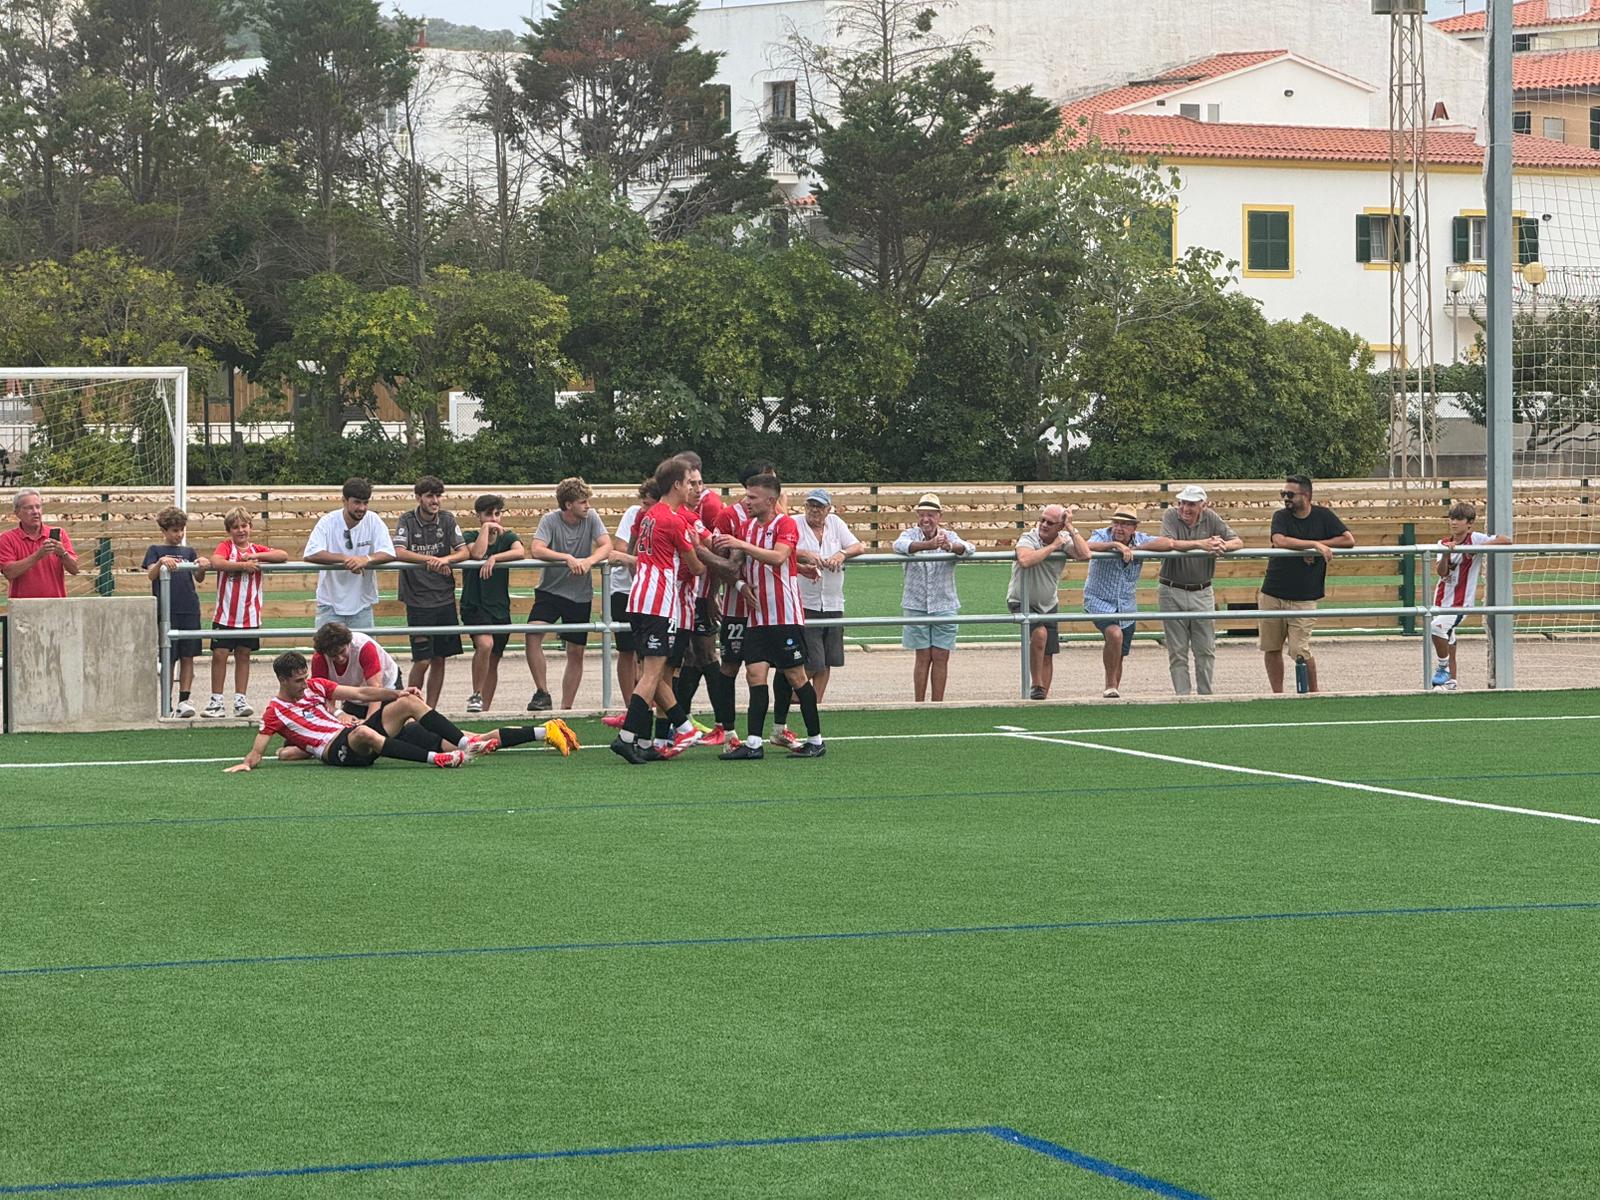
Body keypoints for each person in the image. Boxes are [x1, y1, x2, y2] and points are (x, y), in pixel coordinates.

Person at [225, 651, 578, 773]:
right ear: (282, 680)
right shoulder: (274, 710)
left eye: (306, 677)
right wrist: (248, 763)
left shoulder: (317, 686)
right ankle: (439, 760)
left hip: (356, 735)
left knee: (412, 707)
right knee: (364, 732)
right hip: (341, 748)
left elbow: (361, 692)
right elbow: (259, 750)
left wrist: (397, 692)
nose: (305, 683)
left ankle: (543, 730)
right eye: (298, 680)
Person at [712, 474, 825, 759]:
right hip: (757, 618)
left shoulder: (785, 524)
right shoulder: (747, 528)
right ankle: (753, 744)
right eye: (746, 496)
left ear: (770, 500)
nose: (747, 502)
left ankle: (816, 740)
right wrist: (704, 551)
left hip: (784, 616)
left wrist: (741, 545)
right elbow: (734, 566)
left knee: (796, 676)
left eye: (752, 497)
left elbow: (778, 557)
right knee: (754, 675)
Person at [611, 457, 706, 764]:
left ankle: (660, 735)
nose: (692, 488)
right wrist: (696, 546)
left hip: (639, 597)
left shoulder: (650, 515)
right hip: (659, 600)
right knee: (653, 674)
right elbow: (696, 567)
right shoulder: (674, 521)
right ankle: (627, 738)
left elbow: (641, 552)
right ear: (676, 484)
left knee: (650, 673)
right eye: (688, 482)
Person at [771, 488, 864, 743]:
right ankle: (796, 695)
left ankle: (816, 703)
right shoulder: (794, 523)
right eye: (811, 505)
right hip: (805, 601)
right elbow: (784, 549)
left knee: (828, 659)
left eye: (819, 506)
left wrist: (841, 554)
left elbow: (859, 545)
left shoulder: (836, 524)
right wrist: (806, 554)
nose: (814, 510)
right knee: (813, 660)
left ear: (828, 509)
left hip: (833, 600)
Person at [1260, 474, 1355, 694]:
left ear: (1306, 495)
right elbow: (1279, 540)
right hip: (1273, 591)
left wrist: (1319, 545)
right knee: (1271, 647)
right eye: (1283, 494)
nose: (1285, 498)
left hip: (1305, 595)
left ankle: (1313, 693)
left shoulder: (1323, 516)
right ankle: (1277, 695)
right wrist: (1313, 545)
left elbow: (1348, 540)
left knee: (1299, 650)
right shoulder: (1281, 516)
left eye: (1290, 494)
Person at [525, 476, 611, 712]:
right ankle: (542, 692)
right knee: (532, 634)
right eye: (583, 502)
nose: (588, 506)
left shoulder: (591, 518)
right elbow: (537, 549)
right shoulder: (550, 520)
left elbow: (606, 545)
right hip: (550, 591)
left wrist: (589, 561)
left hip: (580, 595)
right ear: (568, 504)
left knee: (576, 651)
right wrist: (567, 558)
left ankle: (566, 708)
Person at [1158, 485, 1244, 696]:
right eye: (1182, 503)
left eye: (1191, 504)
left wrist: (1222, 546)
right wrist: (1201, 544)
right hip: (1171, 589)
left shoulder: (1211, 518)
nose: (1185, 508)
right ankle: (1182, 697)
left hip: (1202, 590)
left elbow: (1238, 541)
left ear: (1203, 506)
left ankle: (1206, 695)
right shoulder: (1170, 515)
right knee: (1177, 650)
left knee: (1205, 648)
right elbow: (1168, 543)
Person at [205, 506, 288, 719]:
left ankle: (240, 699)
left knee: (244, 655)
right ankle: (216, 700)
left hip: (249, 616)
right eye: (235, 527)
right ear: (229, 530)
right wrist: (242, 565)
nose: (241, 530)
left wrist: (256, 556)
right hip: (225, 615)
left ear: (250, 527)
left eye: (244, 526)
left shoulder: (256, 550)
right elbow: (216, 561)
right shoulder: (226, 547)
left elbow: (282, 554)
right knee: (220, 654)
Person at [392, 476, 468, 709]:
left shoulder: (447, 519)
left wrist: (446, 560)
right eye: (429, 496)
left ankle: (430, 710)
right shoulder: (407, 520)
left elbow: (464, 552)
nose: (435, 501)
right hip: (418, 600)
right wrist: (430, 560)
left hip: (444, 598)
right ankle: (410, 707)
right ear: (418, 498)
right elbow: (399, 551)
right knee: (422, 660)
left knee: (440, 659)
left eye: (438, 496)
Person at [1084, 506, 1174, 699]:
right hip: (1099, 600)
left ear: (1134, 527)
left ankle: (1113, 691)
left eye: (1125, 524)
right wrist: (1115, 546)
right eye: (1116, 523)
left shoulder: (1140, 539)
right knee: (1114, 634)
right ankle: (1110, 685)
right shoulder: (1101, 535)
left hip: (1126, 605)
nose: (1119, 528)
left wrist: (1139, 550)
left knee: (1120, 652)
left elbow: (1167, 543)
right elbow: (1087, 546)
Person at [893, 494, 974, 702]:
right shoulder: (909, 533)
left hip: (944, 604)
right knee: (922, 656)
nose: (925, 519)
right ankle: (919, 704)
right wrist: (928, 545)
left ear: (939, 516)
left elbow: (969, 548)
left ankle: (938, 704)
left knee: (941, 656)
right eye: (922, 515)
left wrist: (950, 547)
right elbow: (899, 545)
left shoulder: (950, 535)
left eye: (930, 515)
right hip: (916, 603)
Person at [1007, 504, 1090, 700]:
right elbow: (1025, 560)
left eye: (1050, 523)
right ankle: (1036, 685)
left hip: (1048, 603)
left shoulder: (1065, 537)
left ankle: (1042, 696)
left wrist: (1070, 527)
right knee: (1040, 634)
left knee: (1048, 652)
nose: (1044, 525)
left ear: (1060, 526)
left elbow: (1085, 554)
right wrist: (1053, 547)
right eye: (1042, 520)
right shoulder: (1029, 537)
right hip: (1021, 599)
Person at [1430, 501, 1511, 690]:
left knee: (1437, 627)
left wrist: (1480, 548)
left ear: (1469, 523)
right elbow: (1442, 572)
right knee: (1448, 638)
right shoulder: (1443, 543)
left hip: (1461, 603)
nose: (1454, 523)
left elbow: (1506, 540)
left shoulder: (1475, 538)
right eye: (1452, 518)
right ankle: (1451, 682)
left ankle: (1442, 668)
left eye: (1459, 519)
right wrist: (1446, 554)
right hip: (1441, 600)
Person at [460, 494, 525, 713]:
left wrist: (496, 558)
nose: (494, 518)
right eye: (488, 514)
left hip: (499, 606)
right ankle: (476, 694)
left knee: (494, 657)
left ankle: (484, 709)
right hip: (475, 604)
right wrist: (486, 529)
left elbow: (520, 552)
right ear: (478, 516)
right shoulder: (470, 535)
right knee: (485, 645)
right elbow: (477, 553)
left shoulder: (508, 537)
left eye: (497, 514)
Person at [303, 477, 395, 630]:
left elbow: (389, 552)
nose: (362, 508)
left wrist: (366, 559)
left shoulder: (373, 520)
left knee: (363, 646)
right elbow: (311, 553)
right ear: (344, 501)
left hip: (363, 605)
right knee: (327, 646)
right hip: (329, 604)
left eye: (365, 502)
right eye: (357, 502)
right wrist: (346, 559)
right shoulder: (328, 521)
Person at [143, 506, 209, 718]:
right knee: (169, 657)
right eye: (174, 530)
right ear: (164, 530)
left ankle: (184, 700)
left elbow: (198, 578)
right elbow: (151, 575)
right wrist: (161, 562)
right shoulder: (155, 550)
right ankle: (167, 702)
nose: (179, 534)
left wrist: (201, 566)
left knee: (188, 656)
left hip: (189, 608)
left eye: (181, 530)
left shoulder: (189, 552)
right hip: (167, 610)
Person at [601, 478, 653, 727]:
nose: (644, 508)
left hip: (652, 592)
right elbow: (621, 549)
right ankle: (630, 707)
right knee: (627, 649)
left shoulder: (669, 517)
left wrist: (635, 560)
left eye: (648, 504)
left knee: (652, 655)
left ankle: (656, 709)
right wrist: (636, 559)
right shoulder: (634, 514)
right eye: (643, 503)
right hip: (625, 589)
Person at [310, 621, 402, 719]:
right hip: (355, 694)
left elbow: (376, 688)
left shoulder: (364, 648)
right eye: (333, 656)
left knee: (387, 723)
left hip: (385, 688)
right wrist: (337, 714)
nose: (340, 658)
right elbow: (322, 694)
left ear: (348, 643)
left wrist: (369, 722)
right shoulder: (319, 658)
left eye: (342, 651)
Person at [1, 488, 79, 599]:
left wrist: (63, 554)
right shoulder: (7, 539)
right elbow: (9, 573)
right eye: (29, 508)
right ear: (17, 513)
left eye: (38, 507)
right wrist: (38, 555)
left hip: (56, 604)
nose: (35, 512)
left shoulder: (60, 534)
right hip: (22, 606)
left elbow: (75, 570)